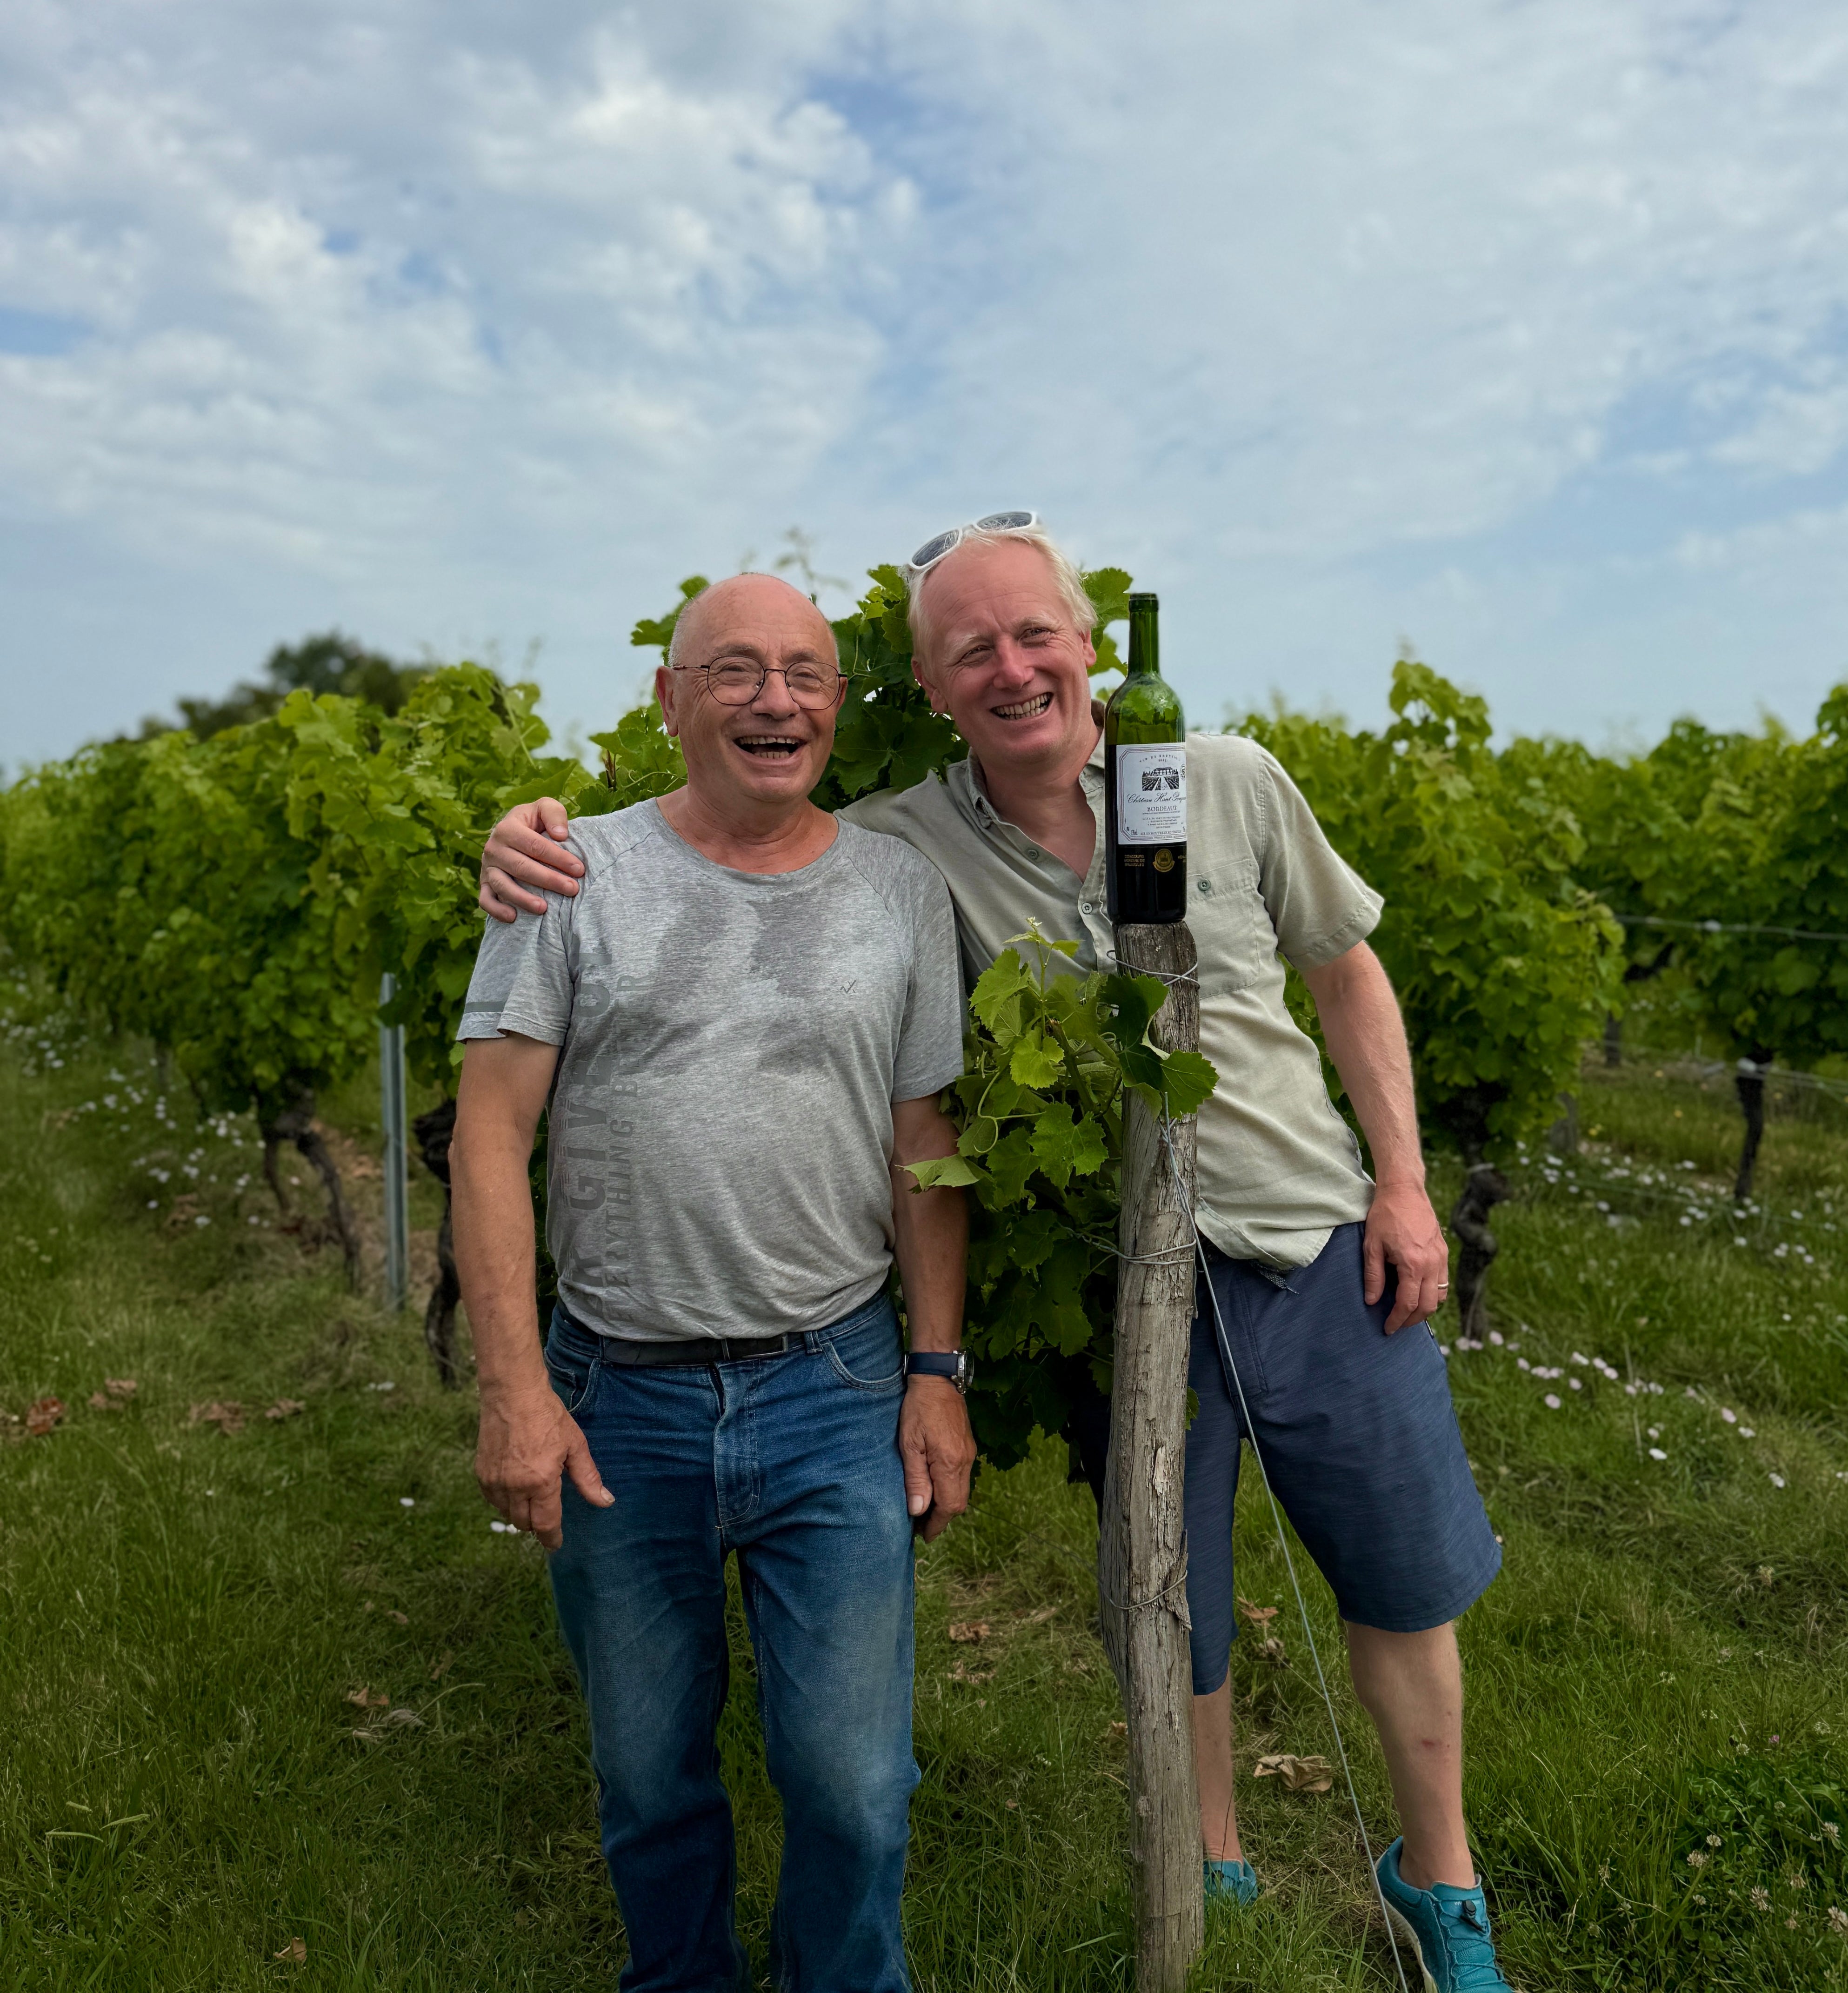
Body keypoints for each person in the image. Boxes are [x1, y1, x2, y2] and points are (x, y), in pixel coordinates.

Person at [480, 520, 1516, 1993]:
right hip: (1121, 1289)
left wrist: (1403, 1184)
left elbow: (1344, 971)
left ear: (1088, 644)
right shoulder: (900, 845)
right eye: (970, 649)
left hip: (1314, 1241)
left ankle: (1441, 1883)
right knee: (1171, 1606)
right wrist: (526, 834)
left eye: (1035, 634)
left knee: (1402, 1581)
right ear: (927, 685)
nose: (1012, 667)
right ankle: (1207, 1871)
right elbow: (722, 837)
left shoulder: (1216, 780)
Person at [453, 571, 977, 1993]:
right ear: (668, 698)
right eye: (735, 669)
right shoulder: (569, 874)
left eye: (805, 672)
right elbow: (488, 1134)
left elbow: (923, 1142)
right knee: (648, 1776)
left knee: (855, 1784)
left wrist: (937, 1370)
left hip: (836, 1386)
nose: (774, 699)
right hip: (616, 1397)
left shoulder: (898, 889)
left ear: (837, 703)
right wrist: (513, 1391)